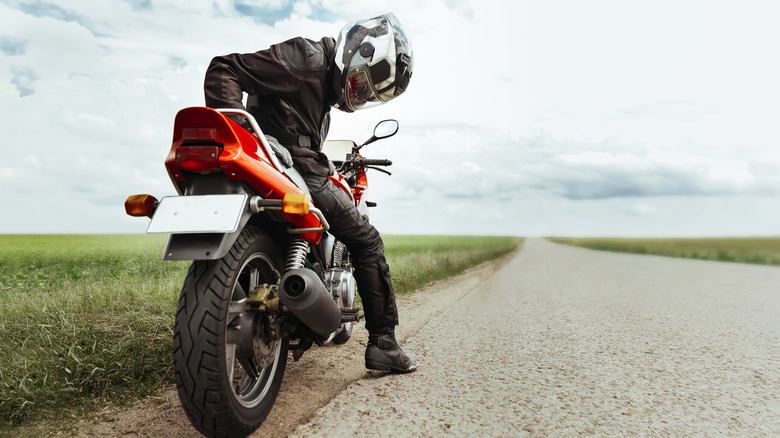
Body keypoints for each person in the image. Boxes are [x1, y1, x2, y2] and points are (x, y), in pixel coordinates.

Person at [203, 13, 417, 373]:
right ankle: (384, 343)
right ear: (356, 52)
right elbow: (225, 68)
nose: (360, 96)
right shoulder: (307, 58)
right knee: (367, 242)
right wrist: (243, 131)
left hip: (293, 166)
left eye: (368, 95)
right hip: (288, 168)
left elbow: (301, 137)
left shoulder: (322, 94)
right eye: (362, 85)